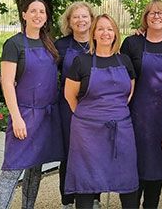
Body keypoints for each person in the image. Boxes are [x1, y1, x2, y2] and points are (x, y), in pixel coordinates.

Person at [0, 0, 64, 209]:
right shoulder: (13, 44)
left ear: (46, 16)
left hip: (46, 116)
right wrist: (16, 118)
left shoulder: (49, 43)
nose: (37, 15)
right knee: (11, 171)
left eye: (41, 11)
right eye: (33, 11)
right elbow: (7, 83)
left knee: (35, 170)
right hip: (24, 115)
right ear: (24, 15)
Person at [64, 14, 139, 209]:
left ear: (115, 33)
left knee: (127, 178)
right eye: (101, 29)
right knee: (86, 181)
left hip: (121, 128)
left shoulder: (125, 61)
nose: (105, 33)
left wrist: (112, 113)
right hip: (87, 132)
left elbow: (129, 93)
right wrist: (88, 118)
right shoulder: (82, 62)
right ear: (94, 34)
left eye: (110, 29)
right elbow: (69, 95)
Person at [121, 0, 162, 208]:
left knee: (157, 167)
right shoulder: (132, 43)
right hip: (137, 115)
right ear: (145, 18)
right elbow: (122, 77)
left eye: (161, 13)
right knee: (133, 166)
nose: (157, 16)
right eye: (152, 13)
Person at [55, 2, 101, 209]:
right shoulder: (60, 46)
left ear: (92, 20)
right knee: (69, 154)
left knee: (95, 153)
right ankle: (67, 201)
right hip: (68, 107)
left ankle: (94, 199)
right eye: (76, 17)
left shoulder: (101, 43)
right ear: (69, 22)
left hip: (96, 107)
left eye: (85, 17)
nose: (81, 21)